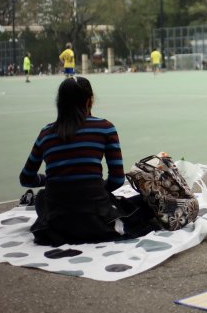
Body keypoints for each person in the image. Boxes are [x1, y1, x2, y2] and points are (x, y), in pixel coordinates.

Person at [19, 77, 159, 246]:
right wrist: (94, 188)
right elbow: (116, 180)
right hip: (97, 218)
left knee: (42, 197)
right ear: (89, 100)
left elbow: (26, 178)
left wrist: (51, 181)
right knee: (145, 203)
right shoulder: (105, 128)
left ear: (60, 102)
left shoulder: (46, 133)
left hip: (58, 223)